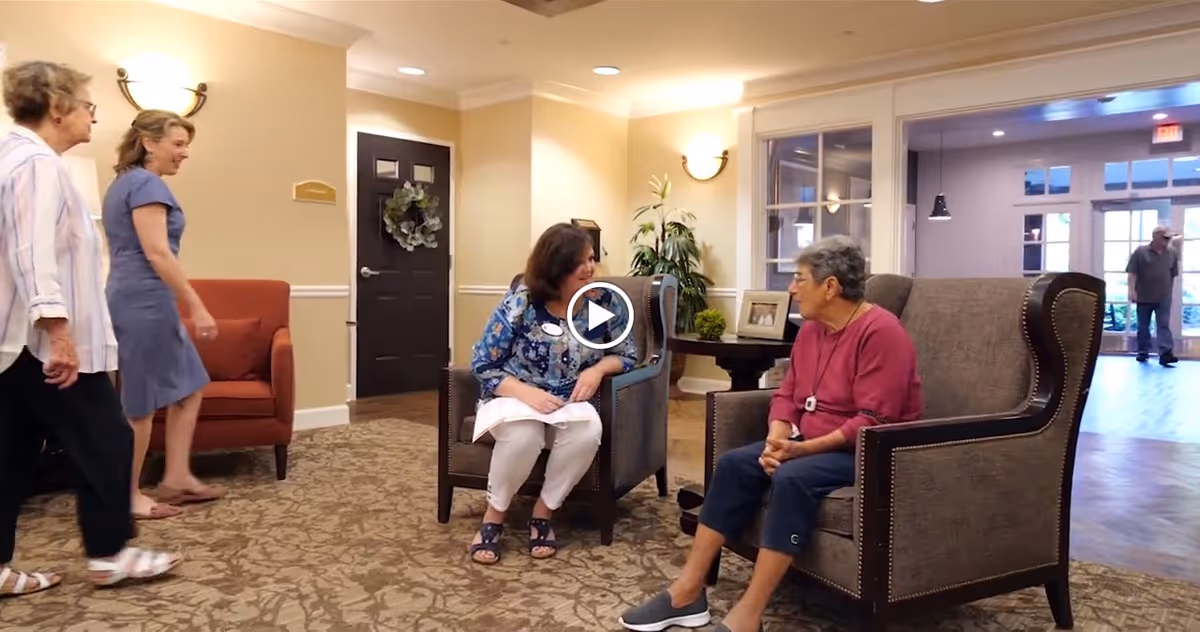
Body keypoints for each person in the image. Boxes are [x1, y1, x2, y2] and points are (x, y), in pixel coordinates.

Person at [619, 236, 923, 632]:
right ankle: (687, 592)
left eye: (800, 279)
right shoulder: (812, 330)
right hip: (811, 445)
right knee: (733, 465)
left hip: (873, 453)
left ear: (830, 286)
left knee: (793, 477)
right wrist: (775, 440)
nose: (792, 289)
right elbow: (788, 395)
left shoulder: (881, 333)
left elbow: (872, 420)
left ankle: (749, 614)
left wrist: (799, 452)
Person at [0, 60, 181, 597]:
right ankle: (109, 555)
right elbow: (33, 253)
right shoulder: (37, 165)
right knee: (108, 438)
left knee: (9, 454)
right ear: (57, 107)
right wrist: (58, 332)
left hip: (12, 341)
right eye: (87, 106)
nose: (93, 118)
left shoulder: (10, 157)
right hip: (40, 342)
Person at [467, 223, 639, 565]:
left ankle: (543, 514)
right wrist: (526, 394)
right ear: (556, 267)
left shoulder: (601, 303)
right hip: (512, 395)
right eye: (580, 262)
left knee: (588, 431)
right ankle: (493, 518)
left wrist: (597, 368)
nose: (590, 269)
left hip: (569, 402)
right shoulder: (524, 301)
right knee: (524, 436)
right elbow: (483, 362)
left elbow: (628, 354)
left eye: (591, 259)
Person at [103, 109, 223, 521]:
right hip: (144, 302)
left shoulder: (124, 183)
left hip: (139, 297)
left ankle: (176, 477)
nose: (184, 153)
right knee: (140, 402)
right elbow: (157, 252)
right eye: (177, 144)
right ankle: (127, 495)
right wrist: (197, 305)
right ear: (148, 142)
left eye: (186, 145)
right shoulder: (145, 183)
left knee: (190, 385)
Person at [1127, 225, 1180, 366]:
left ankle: (1165, 354)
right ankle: (1143, 352)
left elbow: (1173, 275)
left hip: (1163, 296)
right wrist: (1132, 291)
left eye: (1169, 238)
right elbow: (1132, 273)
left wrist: (1170, 292)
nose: (1168, 241)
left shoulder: (1172, 253)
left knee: (1163, 325)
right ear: (1155, 237)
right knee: (1143, 326)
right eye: (1165, 238)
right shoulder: (1140, 252)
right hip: (1144, 295)